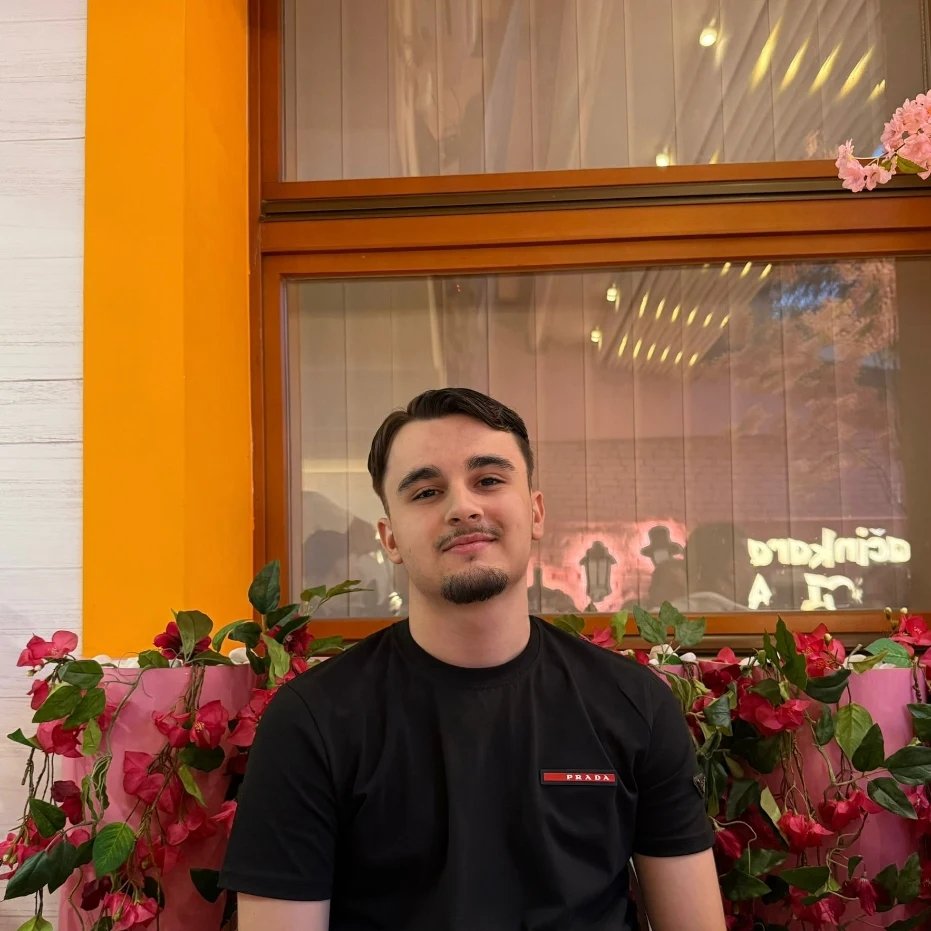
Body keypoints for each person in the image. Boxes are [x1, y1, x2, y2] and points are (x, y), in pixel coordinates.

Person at [220, 388, 726, 931]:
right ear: (390, 539)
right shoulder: (311, 722)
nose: (462, 507)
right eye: (426, 492)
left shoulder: (635, 704)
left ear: (535, 511)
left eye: (488, 480)